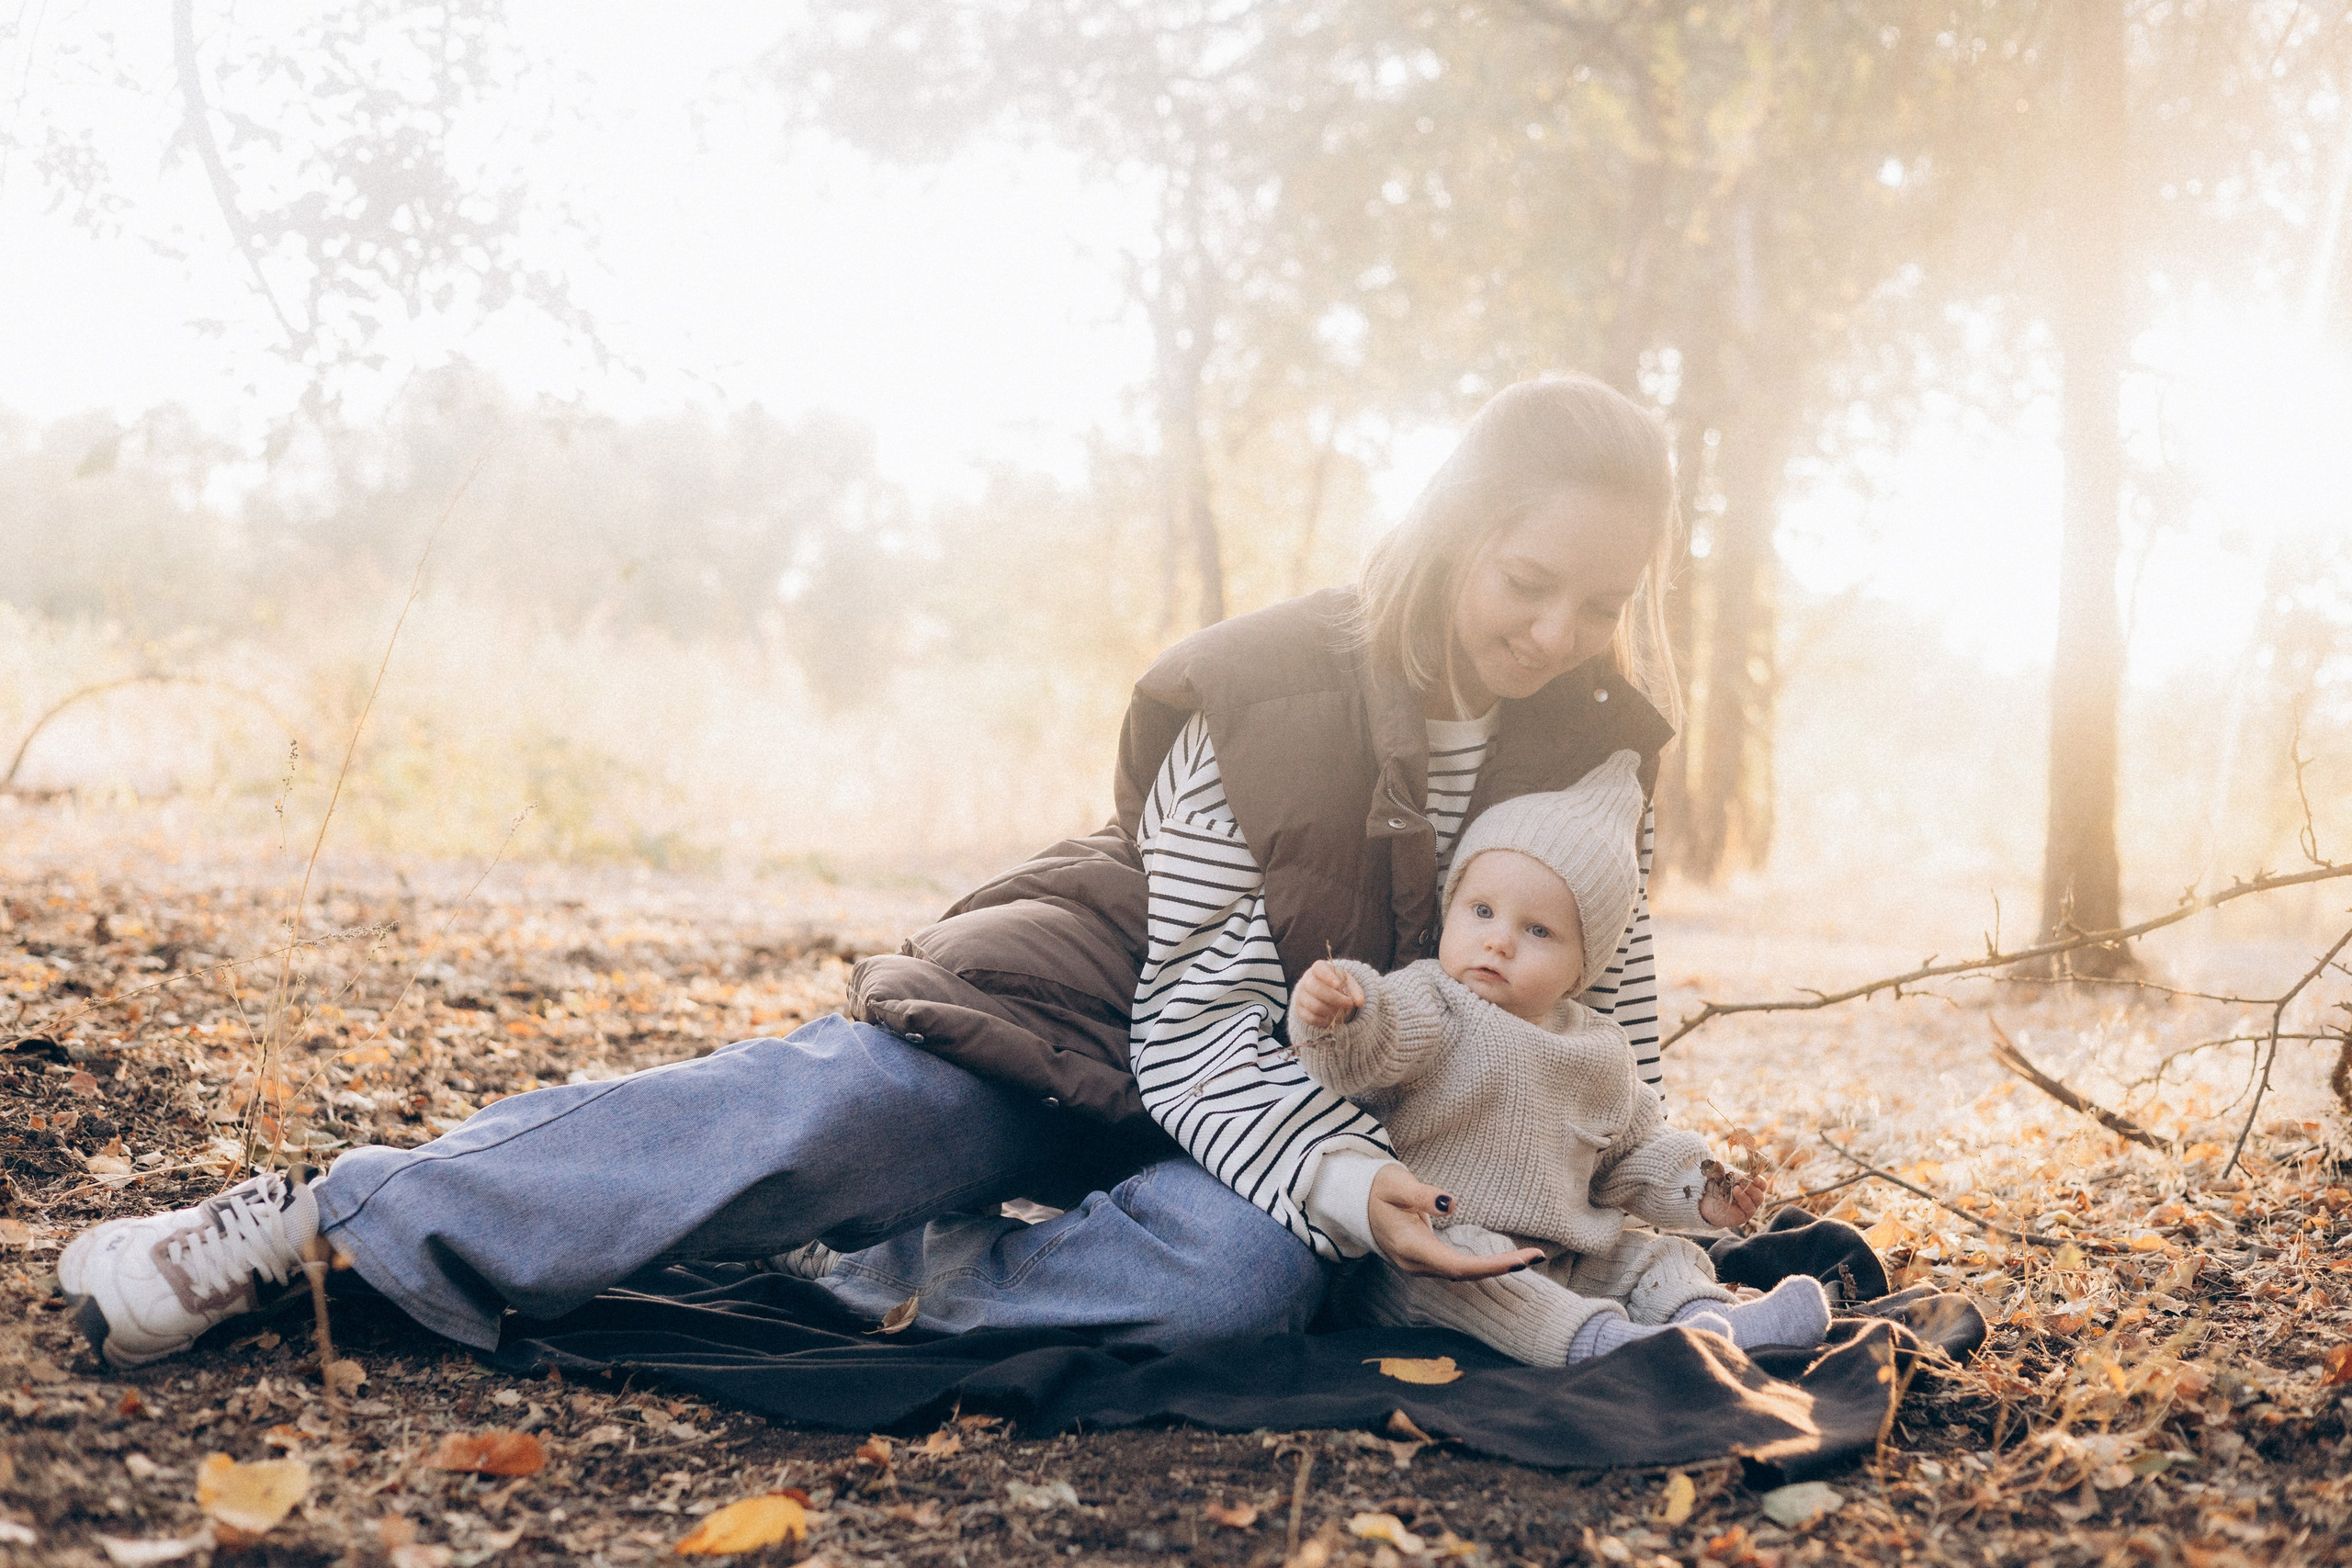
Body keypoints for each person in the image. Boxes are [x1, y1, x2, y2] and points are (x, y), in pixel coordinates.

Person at [61, 373, 1703, 1370]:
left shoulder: (1592, 746)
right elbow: (1197, 1033)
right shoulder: (1265, 686)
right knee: (846, 1118)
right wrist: (1353, 1183)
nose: (1557, 635)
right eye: (1529, 580)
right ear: (1453, 524)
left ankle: (890, 1275)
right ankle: (333, 1221)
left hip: (1317, 1138)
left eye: (1601, 604)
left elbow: (1609, 1024)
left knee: (1240, 1278)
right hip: (1107, 1019)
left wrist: (1636, 1183)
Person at [1288, 750, 1830, 1366]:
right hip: (1430, 1254)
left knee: (1659, 1256)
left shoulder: (1598, 1048)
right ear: (1451, 909)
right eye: (1482, 910)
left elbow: (1633, 1152)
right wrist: (1339, 1012)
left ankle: (1709, 1320)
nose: (1498, 939)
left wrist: (1701, 1188)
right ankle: (1613, 1347)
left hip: (1566, 1258)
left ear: (1583, 966)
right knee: (1470, 1273)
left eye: (1537, 930)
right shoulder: (1432, 998)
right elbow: (1372, 1046)